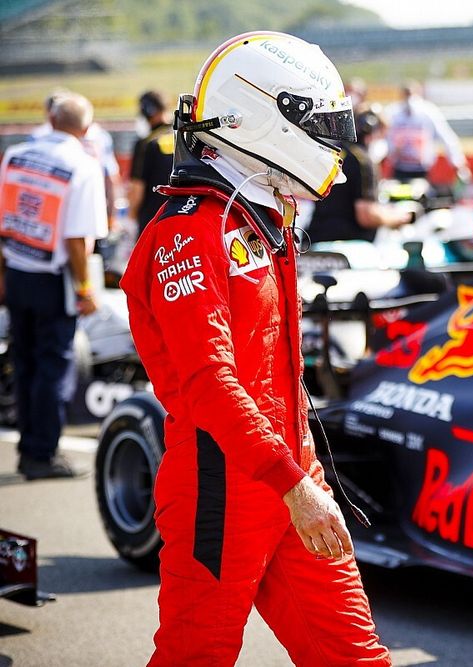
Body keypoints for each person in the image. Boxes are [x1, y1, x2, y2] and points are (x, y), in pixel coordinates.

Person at [117, 32, 390, 665]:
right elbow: (209, 383)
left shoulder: (259, 213)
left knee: (354, 656)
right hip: (222, 482)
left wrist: (297, 478)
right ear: (262, 114)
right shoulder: (190, 230)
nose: (331, 148)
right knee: (196, 656)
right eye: (318, 128)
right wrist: (293, 484)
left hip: (289, 472)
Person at [0, 92, 107, 480]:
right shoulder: (82, 165)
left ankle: (30, 447)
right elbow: (77, 240)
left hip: (16, 273)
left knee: (25, 363)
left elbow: (3, 221)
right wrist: (84, 289)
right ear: (85, 128)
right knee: (53, 369)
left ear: (50, 118)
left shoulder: (15, 156)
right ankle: (42, 455)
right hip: (52, 281)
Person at [307, 104, 415, 243]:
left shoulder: (332, 153)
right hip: (349, 246)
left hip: (315, 242)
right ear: (371, 129)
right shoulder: (362, 160)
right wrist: (400, 217)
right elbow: (366, 216)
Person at [32, 91, 121, 223]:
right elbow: (111, 178)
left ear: (52, 117)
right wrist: (111, 216)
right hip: (92, 209)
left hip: (50, 212)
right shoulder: (100, 135)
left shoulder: (38, 137)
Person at [386, 80, 470, 182]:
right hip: (398, 168)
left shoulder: (429, 111)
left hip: (422, 169)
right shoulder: (393, 112)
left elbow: (446, 136)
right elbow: (383, 138)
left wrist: (457, 162)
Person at [128, 90, 174, 233]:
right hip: (182, 214)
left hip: (152, 220)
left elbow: (137, 187)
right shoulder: (185, 136)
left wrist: (131, 216)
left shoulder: (145, 144)